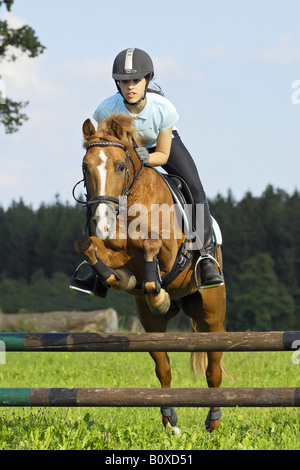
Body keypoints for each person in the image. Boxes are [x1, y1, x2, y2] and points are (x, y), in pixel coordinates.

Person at [72, 48, 223, 291]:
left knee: (195, 189)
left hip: (161, 148)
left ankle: (205, 258)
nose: (130, 87)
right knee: (99, 195)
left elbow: (162, 155)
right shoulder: (105, 109)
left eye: (136, 81)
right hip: (123, 153)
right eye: (124, 82)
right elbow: (105, 149)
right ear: (117, 84)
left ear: (147, 81)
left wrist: (146, 157)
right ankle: (96, 268)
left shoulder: (163, 108)